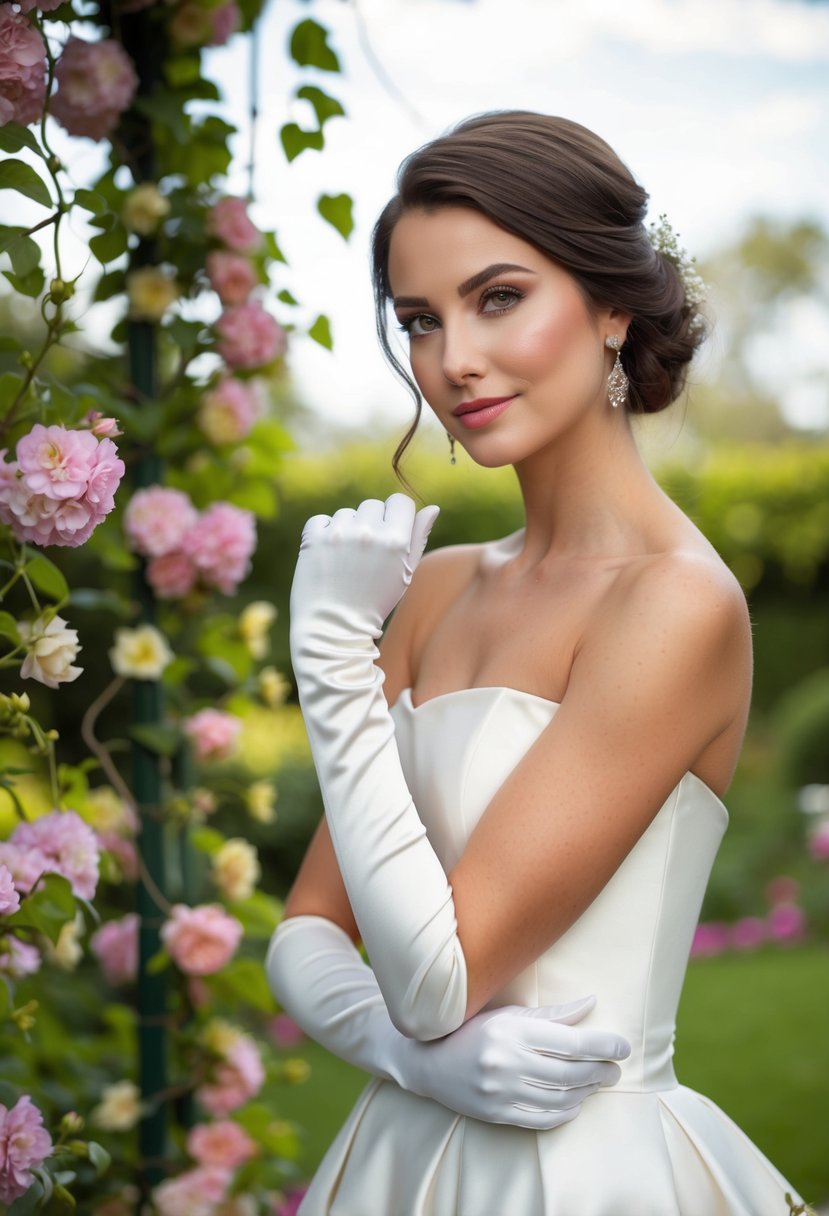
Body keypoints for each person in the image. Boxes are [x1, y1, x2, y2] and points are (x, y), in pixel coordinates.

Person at [266, 112, 804, 1215]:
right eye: (419, 319)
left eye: (497, 296)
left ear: (612, 306)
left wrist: (327, 651)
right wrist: (409, 1058)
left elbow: (438, 978)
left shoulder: (675, 606)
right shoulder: (433, 584)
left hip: (579, 1173)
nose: (453, 358)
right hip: (394, 1160)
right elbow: (306, 932)